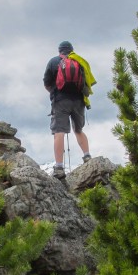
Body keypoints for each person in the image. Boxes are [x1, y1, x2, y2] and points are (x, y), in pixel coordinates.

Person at [43, 41, 96, 179]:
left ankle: (59, 167)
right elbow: (88, 82)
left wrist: (54, 92)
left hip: (60, 101)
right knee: (78, 130)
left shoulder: (53, 62)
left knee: (59, 131)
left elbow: (46, 83)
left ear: (59, 51)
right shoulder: (79, 61)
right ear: (71, 50)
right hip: (79, 101)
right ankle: (87, 156)